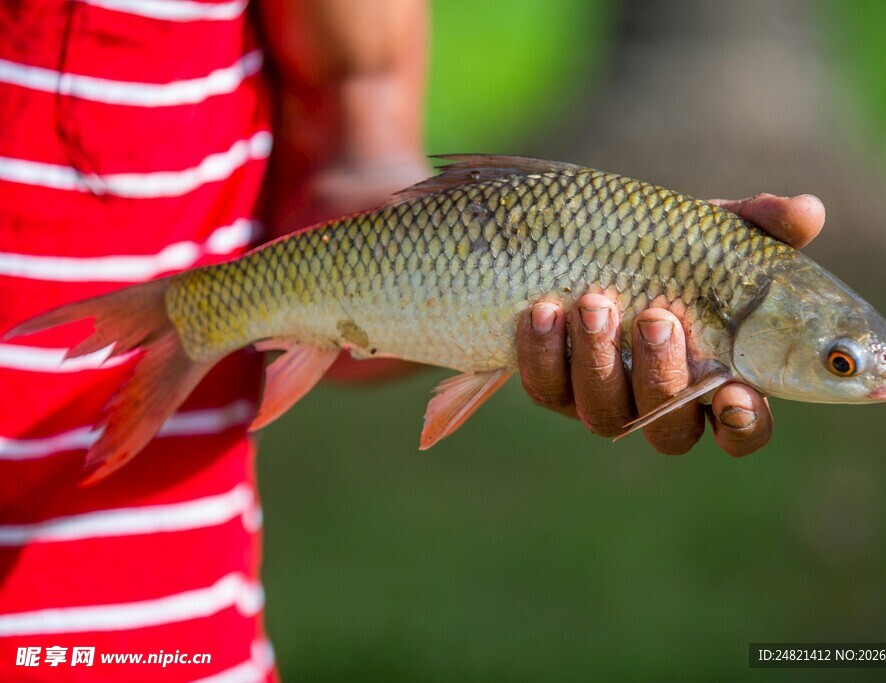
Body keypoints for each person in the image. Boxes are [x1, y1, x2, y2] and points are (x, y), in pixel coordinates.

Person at [0, 0, 824, 680]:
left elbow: (354, 142)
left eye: (837, 362)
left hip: (165, 628)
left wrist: (493, 292)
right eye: (838, 361)